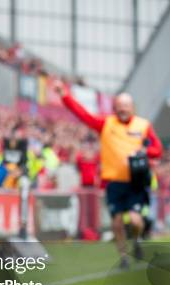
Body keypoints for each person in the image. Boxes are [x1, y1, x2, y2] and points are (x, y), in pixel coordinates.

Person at [54, 81, 163, 268]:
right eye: (119, 106)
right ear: (115, 108)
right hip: (113, 182)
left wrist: (143, 152)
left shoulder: (143, 126)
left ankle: (136, 240)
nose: (123, 109)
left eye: (126, 106)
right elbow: (83, 115)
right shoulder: (106, 123)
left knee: (136, 221)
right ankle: (124, 257)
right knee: (117, 222)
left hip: (135, 182)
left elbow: (157, 149)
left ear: (132, 108)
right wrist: (65, 95)